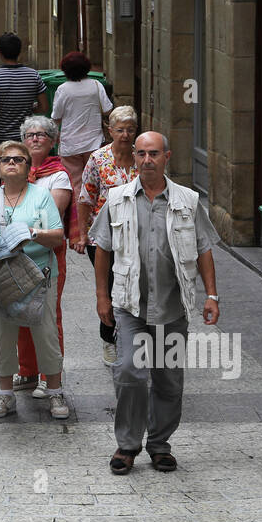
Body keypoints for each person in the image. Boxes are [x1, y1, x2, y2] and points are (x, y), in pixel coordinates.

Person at [88, 131, 220, 475]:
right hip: (129, 306)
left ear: (167, 157)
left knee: (168, 379)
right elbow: (101, 248)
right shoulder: (117, 199)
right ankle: (128, 444)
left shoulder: (188, 201)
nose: (148, 160)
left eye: (154, 154)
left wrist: (211, 295)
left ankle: (160, 445)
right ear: (134, 157)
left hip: (172, 307)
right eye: (142, 154)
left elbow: (204, 248)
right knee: (130, 370)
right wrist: (102, 296)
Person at [0, 140, 69, 420]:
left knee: (45, 333)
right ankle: (5, 396)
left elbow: (57, 236)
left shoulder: (41, 195)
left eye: (18, 159)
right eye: (5, 159)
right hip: (3, 275)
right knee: (2, 334)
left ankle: (54, 391)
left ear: (28, 166)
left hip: (39, 275)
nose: (11, 163)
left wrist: (31, 232)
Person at [13, 117, 75, 400]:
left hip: (48, 253)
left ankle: (49, 375)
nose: (35, 138)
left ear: (52, 141)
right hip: (17, 253)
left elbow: (49, 216)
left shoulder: (58, 175)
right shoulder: (15, 169)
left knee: (48, 316)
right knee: (20, 311)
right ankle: (27, 369)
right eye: (30, 134)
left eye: (41, 135)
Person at [75, 105, 140, 366]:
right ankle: (109, 340)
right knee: (110, 287)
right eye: (120, 129)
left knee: (133, 287)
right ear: (110, 130)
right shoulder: (98, 159)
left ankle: (131, 336)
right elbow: (85, 197)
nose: (125, 135)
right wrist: (81, 234)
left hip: (136, 235)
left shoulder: (143, 157)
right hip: (102, 237)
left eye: (130, 129)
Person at [0, 32, 49, 180]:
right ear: (20, 52)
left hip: (0, 138)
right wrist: (30, 109)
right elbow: (44, 106)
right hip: (24, 138)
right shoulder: (33, 75)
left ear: (0, 52)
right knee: (23, 176)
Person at [50, 52, 112, 207]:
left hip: (71, 144)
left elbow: (56, 116)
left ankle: (78, 224)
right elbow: (107, 109)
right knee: (95, 182)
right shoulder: (96, 86)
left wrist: (54, 136)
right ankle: (94, 217)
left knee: (76, 184)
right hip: (94, 142)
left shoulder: (63, 89)